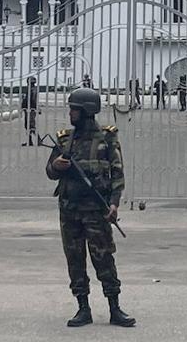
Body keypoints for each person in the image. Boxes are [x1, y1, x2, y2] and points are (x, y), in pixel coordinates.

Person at [46, 87, 135, 327]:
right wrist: (56, 166)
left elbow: (117, 173)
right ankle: (82, 308)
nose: (70, 113)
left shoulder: (107, 138)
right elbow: (50, 171)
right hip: (70, 211)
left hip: (97, 211)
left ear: (86, 111)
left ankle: (115, 308)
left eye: (74, 109)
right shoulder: (65, 139)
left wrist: (114, 203)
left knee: (104, 258)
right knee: (75, 259)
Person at [22, 77, 40, 146]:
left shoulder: (32, 90)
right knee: (27, 125)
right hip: (29, 108)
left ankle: (38, 139)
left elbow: (32, 100)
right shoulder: (31, 89)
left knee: (31, 125)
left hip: (31, 109)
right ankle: (30, 141)